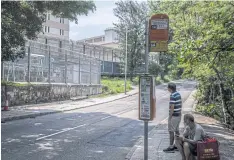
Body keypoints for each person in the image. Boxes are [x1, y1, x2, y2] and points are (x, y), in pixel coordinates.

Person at [163, 83, 182, 152]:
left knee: (171, 131)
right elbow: (180, 104)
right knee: (177, 131)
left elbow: (172, 107)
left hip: (174, 116)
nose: (167, 89)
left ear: (170, 88)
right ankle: (177, 145)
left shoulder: (172, 95)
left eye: (167, 88)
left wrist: (170, 117)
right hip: (179, 115)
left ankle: (171, 147)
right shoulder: (178, 94)